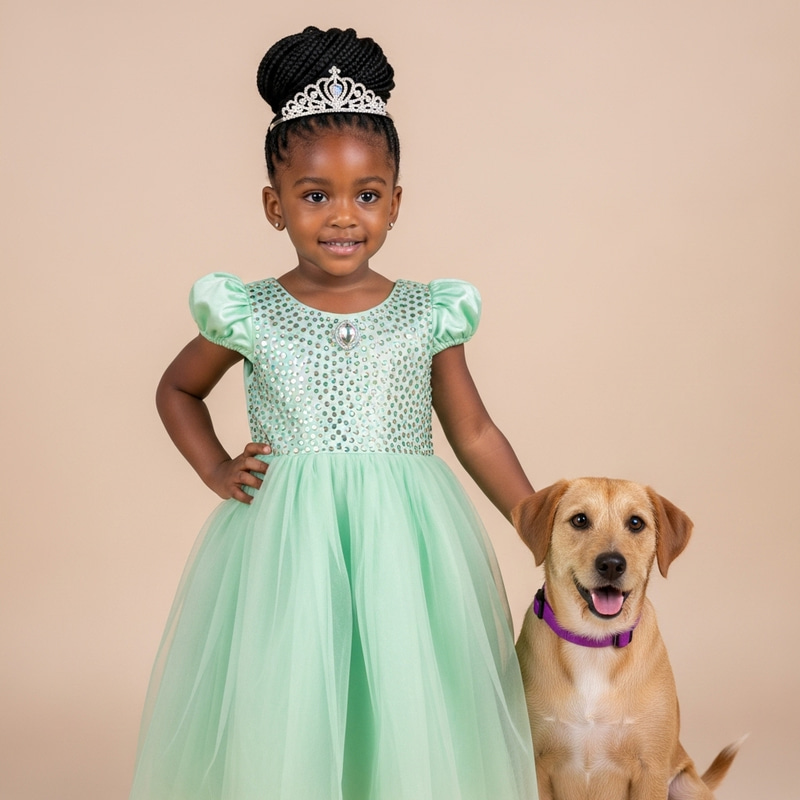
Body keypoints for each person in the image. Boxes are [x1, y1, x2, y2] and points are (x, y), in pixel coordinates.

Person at [129, 25, 539, 800]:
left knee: (404, 679)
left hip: (407, 542)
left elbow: (474, 430)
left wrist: (533, 518)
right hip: (289, 543)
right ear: (274, 205)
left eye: (367, 195)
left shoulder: (428, 313)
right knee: (294, 684)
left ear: (396, 202)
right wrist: (215, 467)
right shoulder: (249, 311)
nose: (343, 216)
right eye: (315, 195)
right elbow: (177, 389)